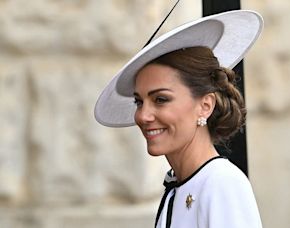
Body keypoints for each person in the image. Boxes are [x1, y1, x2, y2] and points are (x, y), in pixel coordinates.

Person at [94, 10, 263, 228]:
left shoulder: (222, 184)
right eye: (139, 101)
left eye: (161, 99)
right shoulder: (177, 188)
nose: (143, 116)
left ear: (205, 106)